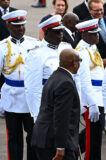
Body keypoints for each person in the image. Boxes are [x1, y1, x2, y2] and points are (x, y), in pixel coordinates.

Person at [0, 10, 39, 160]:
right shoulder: (2, 47)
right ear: (8, 26)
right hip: (12, 98)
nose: (20, 29)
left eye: (22, 25)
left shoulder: (34, 44)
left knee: (34, 137)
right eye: (16, 26)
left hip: (31, 98)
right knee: (14, 138)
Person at [31, 49, 81, 160]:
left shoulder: (55, 76)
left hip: (43, 139)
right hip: (54, 143)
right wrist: (60, 147)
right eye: (79, 61)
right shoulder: (66, 83)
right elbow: (61, 117)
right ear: (74, 63)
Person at [24, 15, 68, 123]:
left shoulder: (66, 48)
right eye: (57, 32)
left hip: (65, 103)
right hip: (48, 107)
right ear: (47, 33)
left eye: (61, 31)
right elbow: (33, 88)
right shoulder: (36, 54)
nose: (60, 35)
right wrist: (38, 115)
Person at [75, 18, 105, 160]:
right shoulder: (81, 51)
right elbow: (84, 80)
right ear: (84, 35)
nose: (97, 36)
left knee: (96, 135)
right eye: (93, 34)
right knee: (91, 138)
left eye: (97, 33)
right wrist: (92, 104)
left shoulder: (92, 48)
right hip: (90, 99)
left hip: (99, 96)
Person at [86, 0, 106, 67]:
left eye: (101, 9)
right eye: (96, 10)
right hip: (95, 65)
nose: (100, 12)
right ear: (89, 10)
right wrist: (100, 60)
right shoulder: (85, 25)